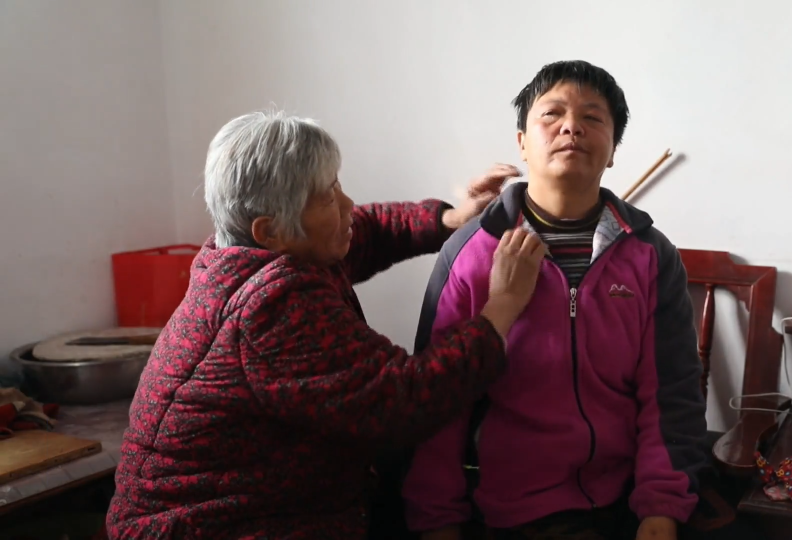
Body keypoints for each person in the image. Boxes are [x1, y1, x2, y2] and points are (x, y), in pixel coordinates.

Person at [105, 110, 547, 539]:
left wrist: (450, 219)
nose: (348, 205)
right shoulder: (271, 305)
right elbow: (404, 400)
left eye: (337, 186)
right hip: (215, 526)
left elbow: (367, 229)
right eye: (327, 198)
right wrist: (502, 305)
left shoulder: (259, 252)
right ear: (269, 231)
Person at [402, 60, 708, 540]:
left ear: (613, 150)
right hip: (500, 509)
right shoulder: (470, 254)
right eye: (552, 113)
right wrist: (437, 521)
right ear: (522, 142)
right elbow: (438, 400)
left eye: (593, 117)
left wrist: (660, 510)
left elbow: (671, 395)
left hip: (624, 502)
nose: (572, 127)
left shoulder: (650, 255)